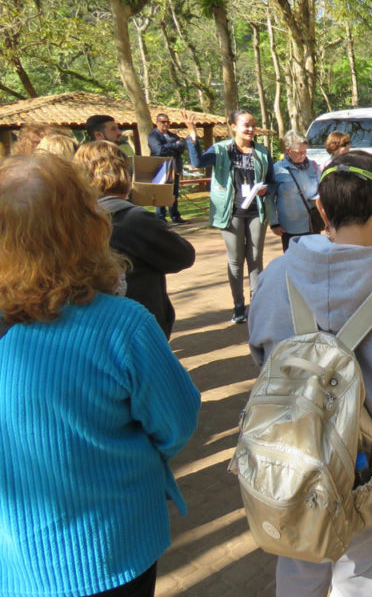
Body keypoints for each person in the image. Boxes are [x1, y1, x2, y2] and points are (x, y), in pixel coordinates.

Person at [0, 152, 200, 597]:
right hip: (111, 547)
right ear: (88, 224)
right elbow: (176, 422)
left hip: (19, 559)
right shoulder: (123, 325)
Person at [248, 150, 372, 597]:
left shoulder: (272, 281)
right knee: (361, 579)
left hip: (292, 462)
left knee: (299, 565)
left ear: (321, 210)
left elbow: (263, 366)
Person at [74, 141, 196, 339]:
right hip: (137, 324)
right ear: (123, 173)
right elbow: (183, 255)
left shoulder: (70, 220)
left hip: (90, 326)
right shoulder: (132, 219)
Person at [184, 109, 275, 324]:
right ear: (233, 126)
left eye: (253, 125)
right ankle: (238, 305)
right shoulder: (221, 149)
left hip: (256, 211)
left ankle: (257, 303)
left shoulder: (261, 152)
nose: (251, 129)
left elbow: (271, 180)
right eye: (246, 125)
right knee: (235, 260)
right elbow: (198, 163)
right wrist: (193, 136)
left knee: (255, 259)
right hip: (231, 212)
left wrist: (266, 189)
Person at [269, 130, 322, 251]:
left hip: (312, 225)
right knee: (293, 263)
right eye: (299, 152)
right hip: (290, 228)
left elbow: (321, 191)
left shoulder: (314, 167)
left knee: (313, 263)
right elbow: (269, 198)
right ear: (288, 150)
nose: (303, 155)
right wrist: (274, 223)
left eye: (305, 151)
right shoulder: (277, 170)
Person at [147, 113, 188, 224]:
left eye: (167, 122)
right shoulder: (153, 136)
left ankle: (175, 216)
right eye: (163, 122)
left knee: (173, 193)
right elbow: (158, 151)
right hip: (160, 168)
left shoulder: (173, 135)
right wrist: (173, 146)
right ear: (157, 123)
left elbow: (182, 147)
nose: (166, 124)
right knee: (161, 193)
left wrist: (167, 146)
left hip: (173, 167)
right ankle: (161, 218)